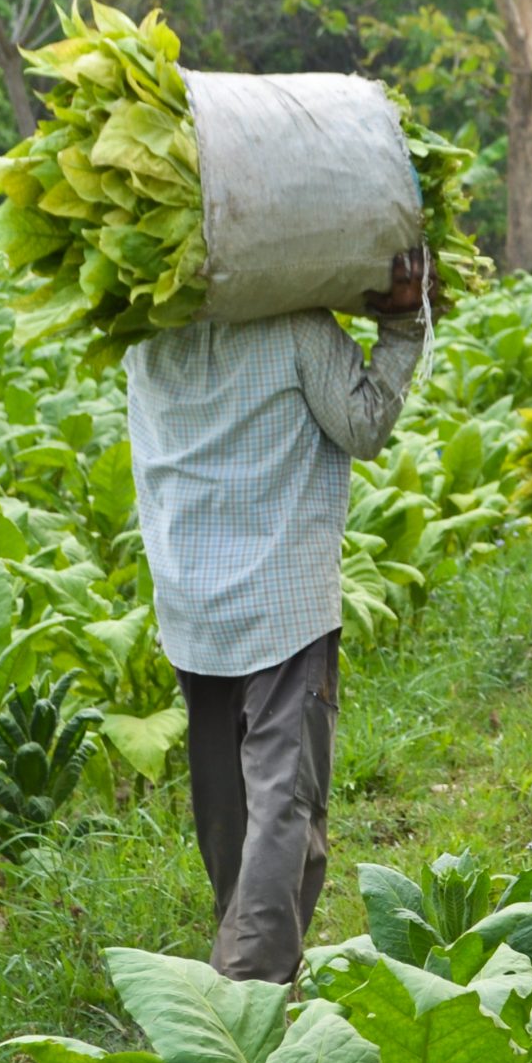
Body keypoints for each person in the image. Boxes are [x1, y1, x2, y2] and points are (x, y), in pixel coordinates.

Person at [127, 247, 435, 985]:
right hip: (281, 600)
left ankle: (253, 957)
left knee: (227, 806)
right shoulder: (294, 328)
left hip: (191, 600)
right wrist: (402, 330)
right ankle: (248, 996)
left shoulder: (145, 338)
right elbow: (362, 425)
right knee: (283, 804)